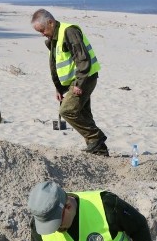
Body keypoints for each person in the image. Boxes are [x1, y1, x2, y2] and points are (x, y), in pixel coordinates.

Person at [31, 9, 109, 156]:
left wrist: (79, 84)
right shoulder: (54, 38)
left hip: (85, 77)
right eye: (39, 32)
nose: (42, 34)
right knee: (84, 114)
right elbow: (56, 65)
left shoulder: (69, 31)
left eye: (42, 30)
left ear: (50, 22)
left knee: (67, 111)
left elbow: (82, 58)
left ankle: (96, 137)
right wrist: (59, 89)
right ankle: (100, 151)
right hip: (76, 79)